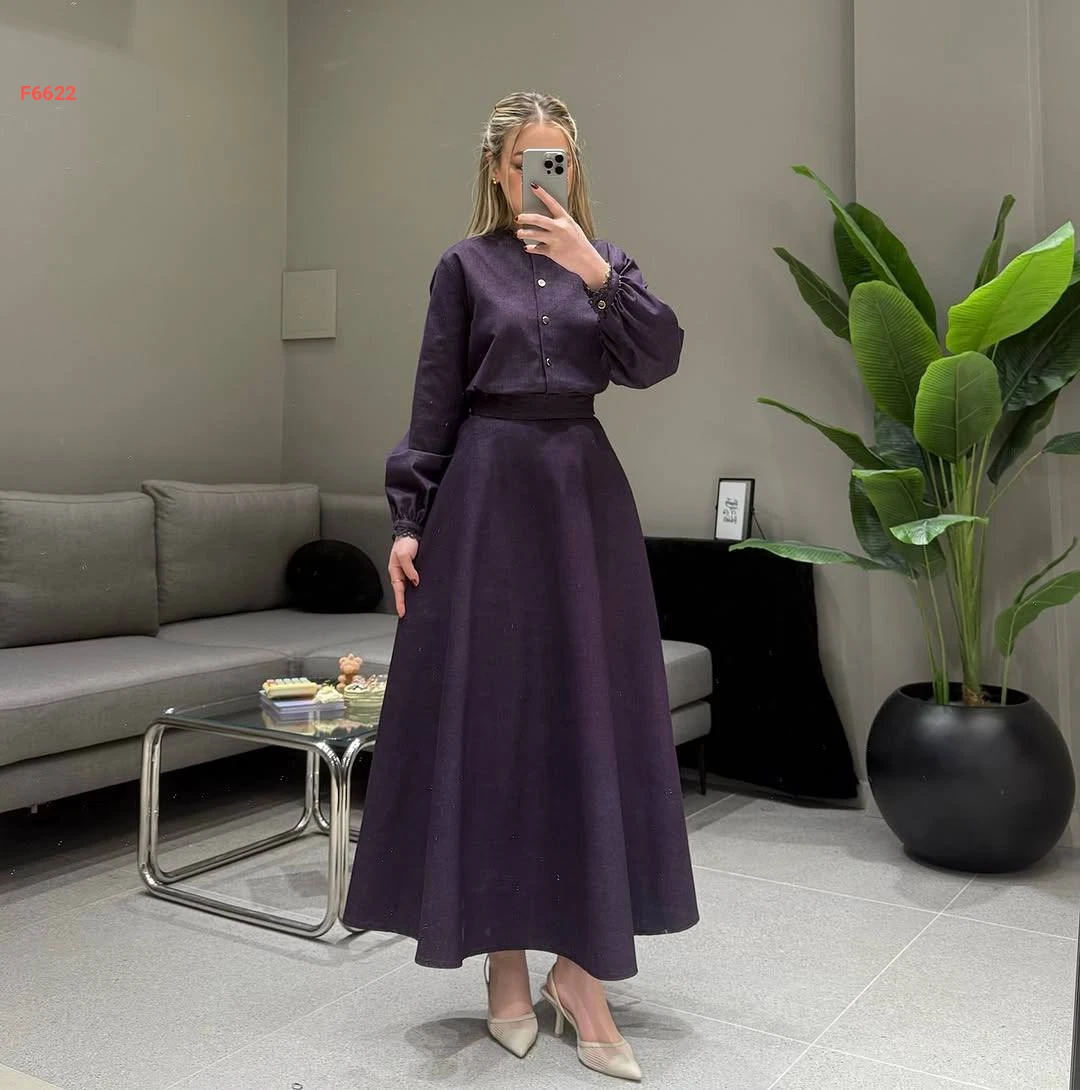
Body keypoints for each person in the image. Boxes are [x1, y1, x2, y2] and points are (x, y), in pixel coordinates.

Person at [342, 90, 699, 1083]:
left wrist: (595, 270)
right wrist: (408, 520)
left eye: (561, 162)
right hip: (487, 499)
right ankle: (503, 960)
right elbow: (433, 401)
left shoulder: (605, 264)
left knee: (592, 718)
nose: (547, 177)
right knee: (493, 721)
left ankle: (580, 972)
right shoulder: (463, 268)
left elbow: (659, 358)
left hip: (583, 501)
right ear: (499, 171)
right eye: (529, 161)